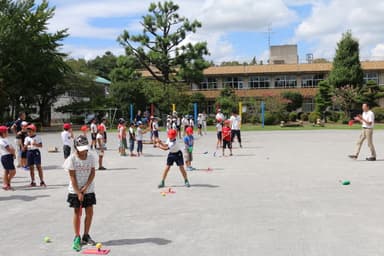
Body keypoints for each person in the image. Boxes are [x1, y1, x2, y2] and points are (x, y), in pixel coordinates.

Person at [64, 135, 97, 251]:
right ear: (76, 148)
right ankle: (77, 236)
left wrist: (85, 188)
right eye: (81, 149)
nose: (84, 151)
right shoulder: (71, 159)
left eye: (85, 148)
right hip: (75, 190)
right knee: (77, 213)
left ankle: (86, 236)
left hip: (88, 189)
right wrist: (78, 192)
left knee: (90, 212)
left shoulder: (91, 157)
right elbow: (72, 178)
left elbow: (92, 173)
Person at [0, 126, 16, 190]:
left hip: (8, 156)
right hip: (6, 157)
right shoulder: (2, 141)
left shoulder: (5, 139)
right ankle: (7, 183)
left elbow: (11, 148)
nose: (8, 132)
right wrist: (13, 152)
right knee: (13, 172)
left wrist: (13, 153)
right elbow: (9, 149)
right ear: (3, 133)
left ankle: (6, 184)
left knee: (6, 171)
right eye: (6, 131)